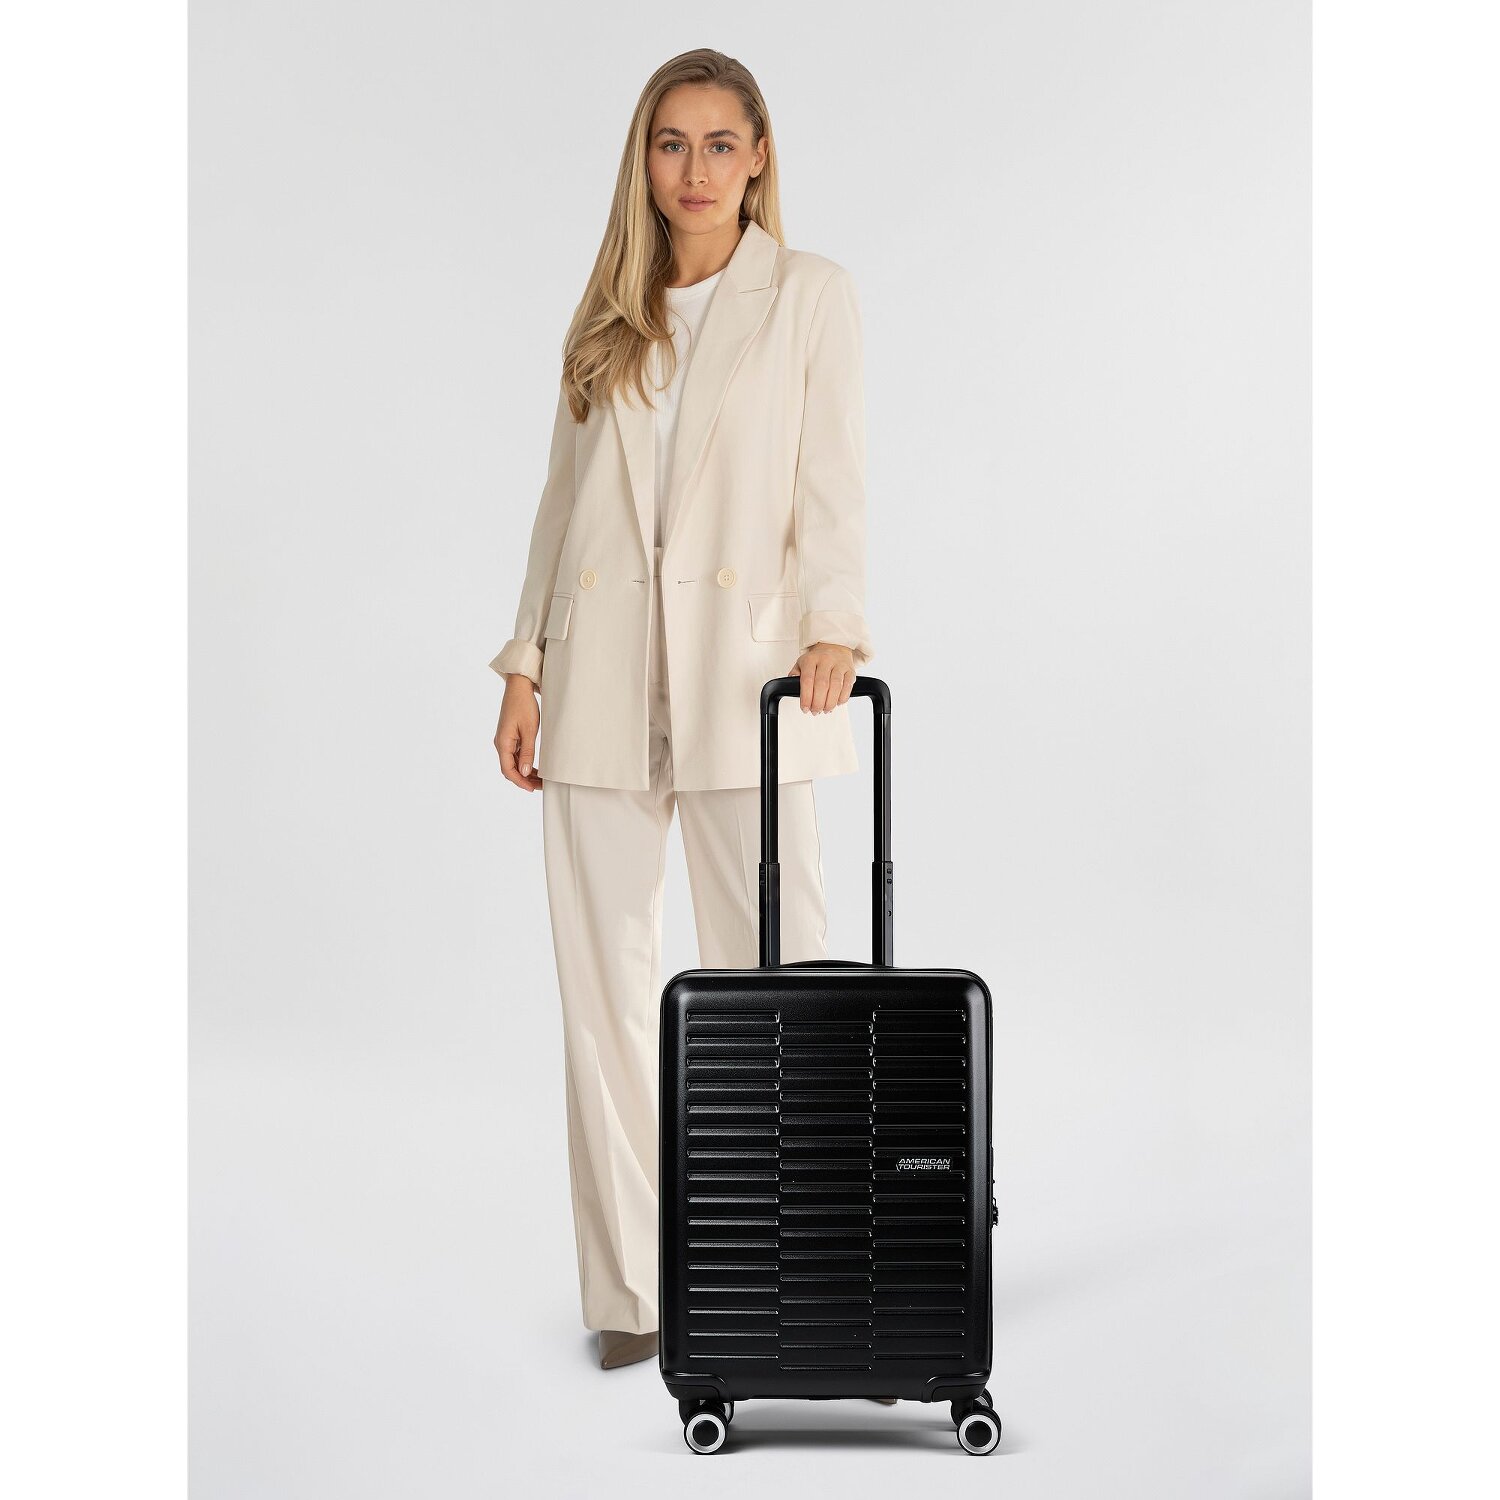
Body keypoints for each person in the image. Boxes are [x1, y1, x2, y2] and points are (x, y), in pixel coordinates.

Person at [491, 48, 876, 1374]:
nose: (695, 169)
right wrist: (526, 661)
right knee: (602, 995)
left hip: (748, 673)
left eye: (720, 143)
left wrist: (836, 624)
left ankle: (808, 1270)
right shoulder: (607, 312)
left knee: (783, 980)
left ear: (758, 157)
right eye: (671, 143)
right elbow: (560, 506)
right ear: (643, 161)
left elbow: (833, 481)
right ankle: (634, 1295)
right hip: (601, 677)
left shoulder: (809, 295)